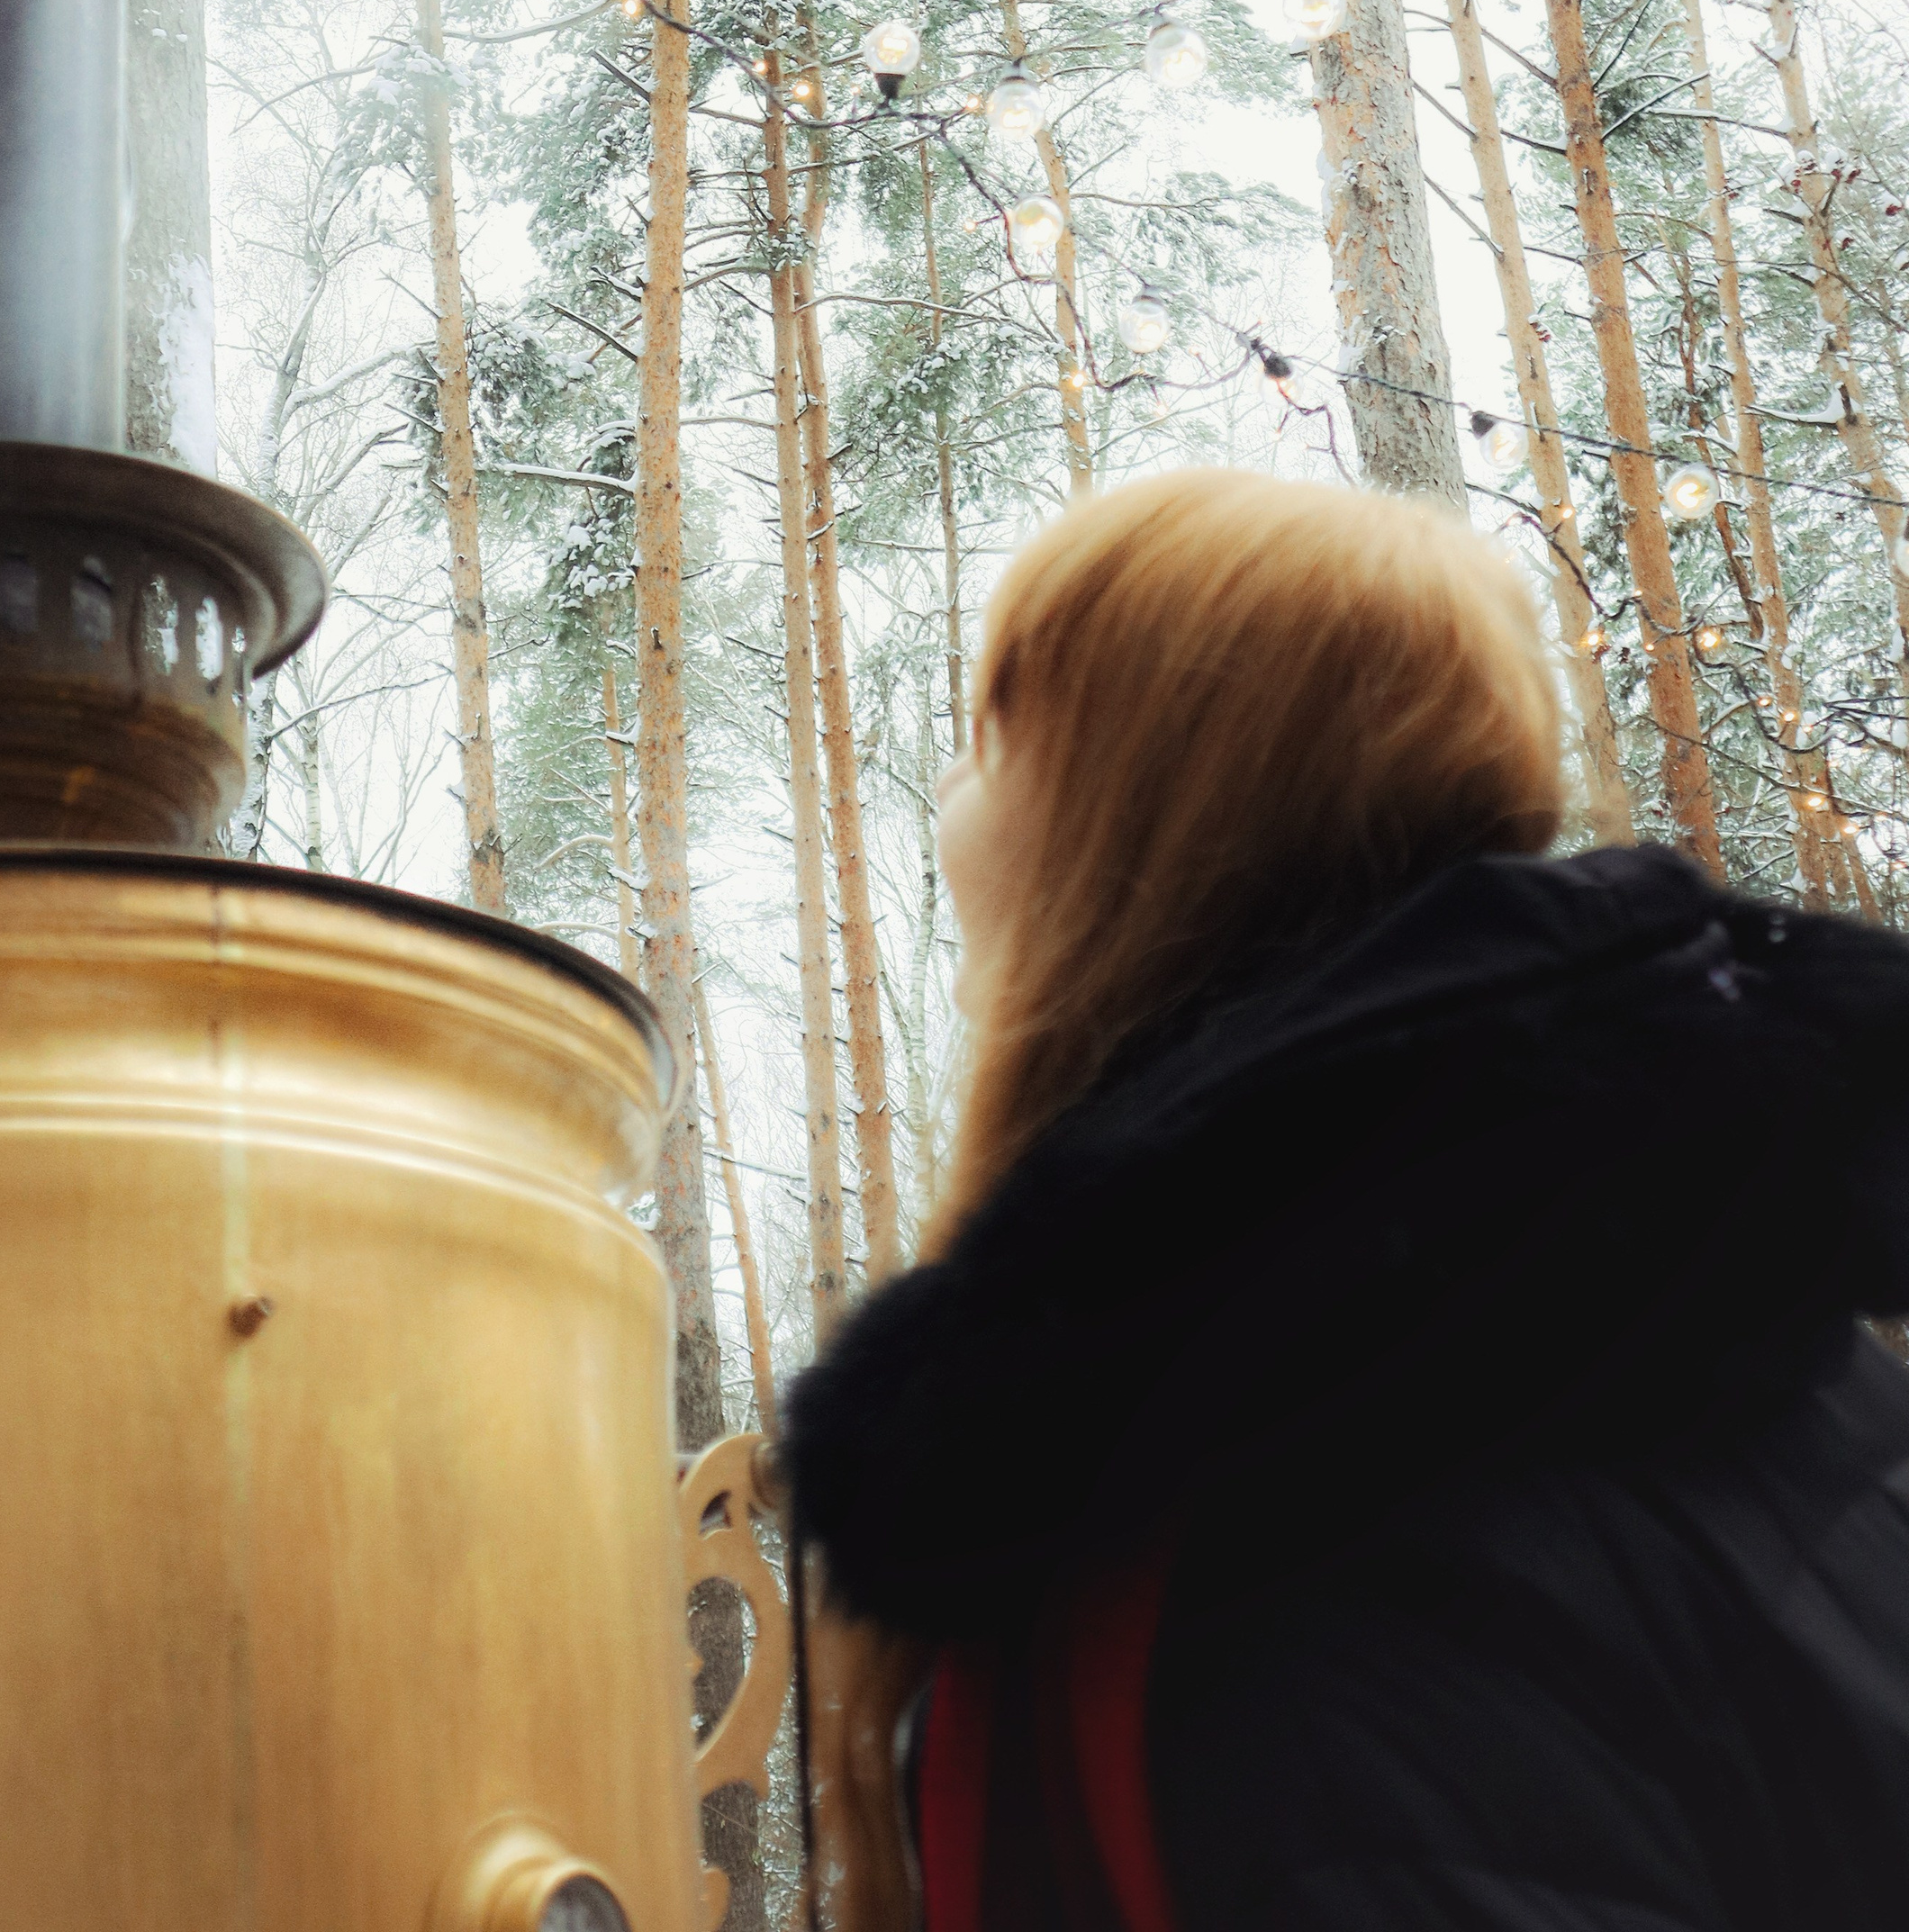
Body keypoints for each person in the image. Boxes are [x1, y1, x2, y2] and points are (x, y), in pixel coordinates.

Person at [782, 467, 1909, 1932]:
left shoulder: (1280, 1468)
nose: (948, 802)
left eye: (991, 735)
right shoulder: (1656, 1288)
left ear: (1140, 812)